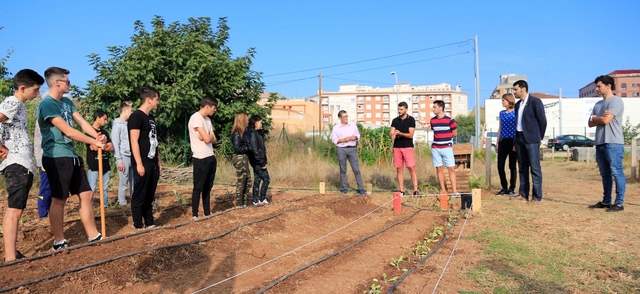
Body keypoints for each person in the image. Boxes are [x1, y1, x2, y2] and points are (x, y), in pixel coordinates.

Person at [36, 67, 105, 250]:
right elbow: (68, 130)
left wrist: (97, 136)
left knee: (86, 194)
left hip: (72, 156)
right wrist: (93, 142)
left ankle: (93, 236)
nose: (70, 83)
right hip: (56, 157)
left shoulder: (67, 102)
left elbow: (82, 123)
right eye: (67, 81)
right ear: (57, 82)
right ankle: (59, 241)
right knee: (59, 199)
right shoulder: (48, 104)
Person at [0, 69, 44, 262]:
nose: (37, 93)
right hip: (17, 162)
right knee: (14, 210)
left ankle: (12, 253)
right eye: (35, 90)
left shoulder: (18, 105)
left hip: (20, 162)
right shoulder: (13, 102)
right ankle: (10, 258)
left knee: (16, 209)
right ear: (23, 88)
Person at [588, 75, 626, 212]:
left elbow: (605, 121)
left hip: (613, 142)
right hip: (600, 142)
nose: (597, 89)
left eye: (599, 86)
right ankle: (606, 201)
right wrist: (598, 118)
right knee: (605, 173)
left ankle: (619, 203)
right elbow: (590, 123)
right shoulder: (598, 104)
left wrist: (595, 118)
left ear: (608, 86)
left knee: (616, 172)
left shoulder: (616, 101)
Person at [128, 86, 162, 229]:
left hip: (153, 161)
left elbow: (154, 140)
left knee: (150, 194)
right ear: (148, 100)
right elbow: (134, 141)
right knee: (140, 194)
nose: (158, 102)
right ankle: (137, 224)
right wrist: (139, 163)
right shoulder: (136, 116)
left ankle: (149, 221)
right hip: (143, 161)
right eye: (156, 99)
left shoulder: (151, 119)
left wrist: (159, 160)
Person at [513, 80, 547, 203]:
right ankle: (523, 194)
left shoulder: (535, 102)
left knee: (534, 168)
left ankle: (537, 197)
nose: (514, 92)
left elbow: (542, 121)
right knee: (522, 167)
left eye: (515, 89)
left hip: (532, 139)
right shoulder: (518, 105)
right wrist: (515, 142)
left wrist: (539, 137)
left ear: (523, 89)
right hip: (519, 138)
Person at [188, 96, 218, 218]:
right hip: (201, 158)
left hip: (210, 156)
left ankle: (207, 211)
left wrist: (208, 137)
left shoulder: (207, 121)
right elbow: (207, 138)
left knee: (208, 187)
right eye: (213, 108)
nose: (214, 110)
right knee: (198, 187)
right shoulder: (196, 118)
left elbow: (213, 139)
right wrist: (208, 137)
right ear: (207, 106)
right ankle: (195, 213)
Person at [330, 110, 365, 195]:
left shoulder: (353, 125)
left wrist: (354, 137)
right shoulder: (336, 128)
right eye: (344, 117)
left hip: (352, 149)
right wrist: (343, 140)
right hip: (341, 149)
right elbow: (334, 140)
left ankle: (360, 188)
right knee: (343, 169)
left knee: (356, 169)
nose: (346, 118)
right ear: (340, 118)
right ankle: (344, 188)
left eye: (347, 116)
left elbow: (358, 135)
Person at [86, 110, 114, 207]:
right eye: (104, 119)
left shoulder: (104, 132)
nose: (106, 121)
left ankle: (104, 205)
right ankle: (90, 206)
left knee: (104, 187)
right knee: (92, 187)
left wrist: (102, 146)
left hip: (105, 164)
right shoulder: (89, 132)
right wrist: (105, 145)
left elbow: (111, 147)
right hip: (94, 165)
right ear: (98, 118)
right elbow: (93, 147)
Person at [430, 100, 459, 196]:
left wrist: (445, 137)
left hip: (447, 147)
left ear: (440, 108)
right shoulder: (432, 120)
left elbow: (454, 133)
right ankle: (443, 190)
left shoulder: (450, 120)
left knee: (451, 169)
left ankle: (454, 191)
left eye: (434, 107)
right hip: (435, 147)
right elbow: (434, 131)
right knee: (439, 169)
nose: (433, 109)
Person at [390, 102, 418, 196]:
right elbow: (391, 132)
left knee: (411, 168)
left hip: (408, 147)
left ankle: (415, 190)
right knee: (399, 169)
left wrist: (400, 133)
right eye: (398, 109)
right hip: (397, 147)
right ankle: (402, 190)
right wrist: (392, 134)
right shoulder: (395, 120)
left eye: (401, 109)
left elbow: (410, 135)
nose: (399, 111)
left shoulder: (411, 120)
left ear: (406, 109)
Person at [112, 101, 134, 206]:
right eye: (131, 110)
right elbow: (115, 143)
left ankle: (134, 199)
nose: (132, 112)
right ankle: (122, 202)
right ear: (125, 110)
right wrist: (119, 160)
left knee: (133, 180)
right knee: (124, 181)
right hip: (123, 156)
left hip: (132, 155)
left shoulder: (129, 123)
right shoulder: (117, 125)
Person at [495, 93, 518, 196]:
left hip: (512, 140)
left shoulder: (516, 112)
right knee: (500, 166)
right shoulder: (501, 113)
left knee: (512, 166)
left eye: (504, 100)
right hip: (503, 141)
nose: (502, 102)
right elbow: (500, 127)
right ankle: (504, 187)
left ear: (509, 101)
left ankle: (512, 188)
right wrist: (497, 143)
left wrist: (516, 143)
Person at [247, 114, 272, 205]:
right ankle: (262, 198)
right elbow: (255, 150)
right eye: (260, 122)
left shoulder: (256, 133)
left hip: (257, 161)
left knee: (257, 179)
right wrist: (262, 163)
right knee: (266, 179)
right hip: (257, 161)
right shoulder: (253, 133)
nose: (261, 124)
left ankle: (255, 200)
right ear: (255, 122)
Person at [231, 112, 251, 208]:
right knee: (242, 181)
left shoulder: (243, 132)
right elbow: (237, 148)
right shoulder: (237, 132)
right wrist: (248, 148)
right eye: (246, 119)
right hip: (240, 158)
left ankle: (244, 202)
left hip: (244, 157)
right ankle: (239, 204)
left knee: (248, 181)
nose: (248, 121)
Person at [34, 120, 52, 218]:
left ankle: (49, 211)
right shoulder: (44, 116)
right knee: (46, 187)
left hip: (49, 158)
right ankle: (43, 214)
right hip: (44, 158)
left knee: (52, 187)